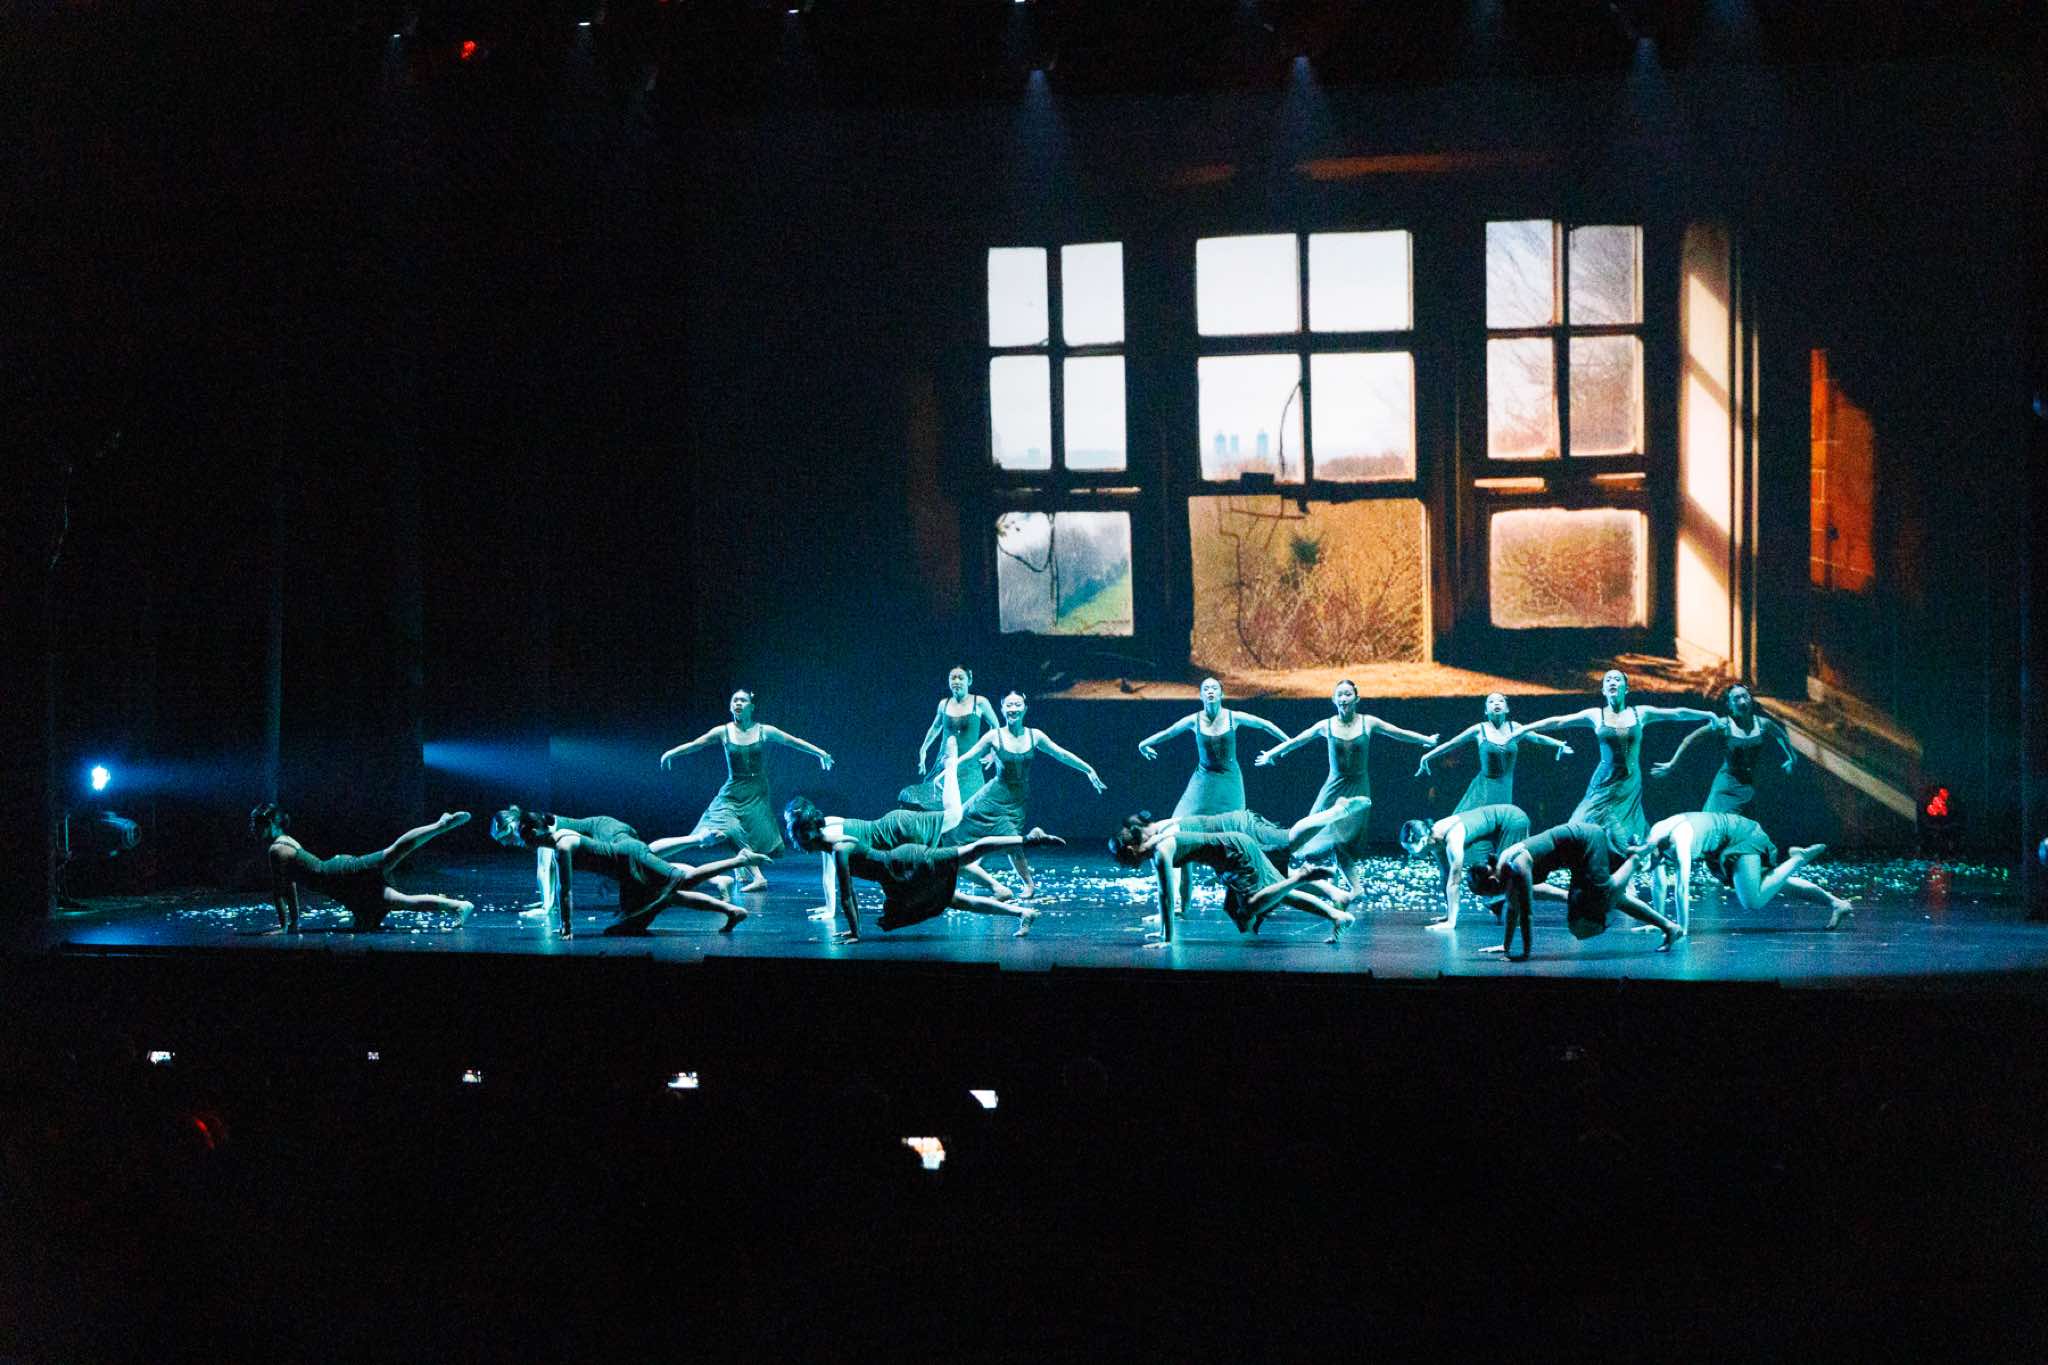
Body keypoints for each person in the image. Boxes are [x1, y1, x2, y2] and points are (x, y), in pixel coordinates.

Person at [783, 800, 1064, 942]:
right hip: (898, 879)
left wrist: (855, 932)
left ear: (810, 832)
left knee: (968, 852)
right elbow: (845, 891)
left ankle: (1030, 839)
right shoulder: (829, 841)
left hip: (908, 863)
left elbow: (848, 895)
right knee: (955, 900)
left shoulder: (838, 848)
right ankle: (1023, 913)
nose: (798, 841)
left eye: (799, 834)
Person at [1256, 680, 1436, 891]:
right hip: (1334, 786)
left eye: (1348, 694)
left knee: (1345, 841)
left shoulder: (1368, 722)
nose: (1343, 699)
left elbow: (1397, 732)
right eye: (1340, 695)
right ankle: (1320, 881)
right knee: (1316, 829)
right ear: (1334, 700)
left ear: (1356, 698)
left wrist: (1426, 740)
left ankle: (1348, 887)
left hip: (1358, 787)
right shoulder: (1326, 726)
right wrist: (1271, 754)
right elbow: (1298, 740)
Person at [488, 807, 760, 936]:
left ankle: (733, 859)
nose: (512, 844)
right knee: (664, 894)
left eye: (510, 837)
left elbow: (559, 882)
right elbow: (561, 873)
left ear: (524, 830)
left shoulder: (552, 838)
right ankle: (731, 908)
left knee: (669, 874)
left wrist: (556, 915)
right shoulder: (541, 832)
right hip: (619, 858)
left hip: (614, 839)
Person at [659, 690, 833, 890]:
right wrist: (670, 753)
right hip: (733, 790)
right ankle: (758, 877)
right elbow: (696, 744)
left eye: (743, 700)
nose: (738, 703)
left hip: (756, 790)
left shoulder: (764, 731)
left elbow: (793, 741)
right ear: (730, 706)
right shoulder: (723, 731)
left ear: (751, 707)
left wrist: (820, 753)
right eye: (735, 701)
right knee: (730, 827)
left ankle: (742, 867)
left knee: (750, 830)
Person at [1518, 670, 1717, 845]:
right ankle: (1569, 852)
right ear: (1603, 690)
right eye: (1608, 680)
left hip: (1629, 780)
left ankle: (1625, 861)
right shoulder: (1596, 714)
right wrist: (1524, 729)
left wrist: (1707, 714)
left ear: (1626, 689)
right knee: (1584, 817)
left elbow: (1677, 714)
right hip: (1604, 779)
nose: (1612, 682)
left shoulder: (1640, 713)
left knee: (1627, 826)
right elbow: (1559, 721)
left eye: (1617, 679)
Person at [1139, 677, 1289, 907]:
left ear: (1221, 694)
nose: (1210, 691)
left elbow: (1265, 724)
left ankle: (1259, 888)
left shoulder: (1233, 717)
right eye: (1206, 689)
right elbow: (1168, 732)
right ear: (1201, 695)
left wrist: (1286, 745)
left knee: (1237, 836)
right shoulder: (1194, 720)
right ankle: (1181, 903)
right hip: (1203, 781)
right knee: (1177, 832)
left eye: (1214, 688)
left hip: (1229, 782)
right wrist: (1144, 743)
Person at [946, 692, 1105, 899]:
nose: (1013, 709)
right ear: (1002, 709)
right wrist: (947, 771)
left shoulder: (1034, 735)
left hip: (1016, 800)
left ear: (1025, 708)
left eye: (1017, 705)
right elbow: (970, 757)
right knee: (982, 830)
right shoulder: (994, 736)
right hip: (993, 795)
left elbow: (1060, 753)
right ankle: (1024, 883)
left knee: (1007, 838)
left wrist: (1088, 769)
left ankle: (1011, 879)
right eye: (1009, 705)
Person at [1109, 817, 1357, 945]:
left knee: (1248, 906)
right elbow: (1168, 892)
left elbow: (1165, 895)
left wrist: (1166, 939)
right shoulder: (1157, 847)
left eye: (1124, 860)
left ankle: (1302, 876)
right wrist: (1163, 933)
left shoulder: (1161, 851)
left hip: (1233, 852)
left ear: (1130, 851)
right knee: (1275, 893)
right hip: (1231, 852)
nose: (1127, 866)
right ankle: (1338, 916)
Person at [1118, 795, 1372, 918]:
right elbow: (1184, 875)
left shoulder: (1165, 835)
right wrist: (1181, 909)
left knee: (1289, 841)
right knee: (1272, 877)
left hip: (1241, 829)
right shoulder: (1162, 832)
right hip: (1234, 842)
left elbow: (1173, 881)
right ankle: (1335, 895)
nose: (1145, 840)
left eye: (1141, 836)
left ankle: (1338, 811)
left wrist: (1173, 910)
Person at [252, 804, 474, 933]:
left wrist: (287, 925)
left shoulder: (276, 849)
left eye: (256, 823)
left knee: (392, 854)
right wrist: (291, 923)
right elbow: (289, 886)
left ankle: (441, 825)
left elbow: (281, 891)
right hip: (342, 885)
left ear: (270, 824)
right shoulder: (286, 841)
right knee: (396, 899)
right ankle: (458, 906)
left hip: (341, 875)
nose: (252, 828)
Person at [1488, 819, 1685, 961]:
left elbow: (1526, 914)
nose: (1490, 896)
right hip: (1576, 854)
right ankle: (1670, 927)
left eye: (1487, 891)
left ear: (1493, 879)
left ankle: (1634, 859)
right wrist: (1506, 947)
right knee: (1602, 905)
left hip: (1586, 841)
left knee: (1595, 908)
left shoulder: (1517, 866)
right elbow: (1516, 907)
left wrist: (1525, 954)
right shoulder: (1506, 870)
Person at [1632, 811, 1852, 932]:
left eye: (1647, 865)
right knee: (1772, 883)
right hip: (1722, 847)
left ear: (1650, 852)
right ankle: (1837, 904)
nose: (1649, 869)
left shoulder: (1678, 840)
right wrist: (1658, 922)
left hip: (1740, 836)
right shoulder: (1652, 839)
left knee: (1752, 900)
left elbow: (1681, 887)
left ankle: (1798, 859)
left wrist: (1681, 928)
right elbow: (1659, 884)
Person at [1649, 684, 1797, 816]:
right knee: (1718, 824)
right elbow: (1690, 739)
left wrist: (1791, 757)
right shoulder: (1724, 725)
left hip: (1751, 785)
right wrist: (1672, 763)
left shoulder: (1763, 724)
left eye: (1745, 696)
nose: (1742, 702)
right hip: (1727, 786)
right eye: (1736, 699)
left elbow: (1781, 736)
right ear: (1729, 705)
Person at [1413, 692, 1572, 812]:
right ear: (1485, 710)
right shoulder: (1479, 729)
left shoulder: (1515, 727)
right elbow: (1451, 744)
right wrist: (1427, 756)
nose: (1496, 703)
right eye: (1491, 701)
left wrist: (1558, 744)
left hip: (1506, 788)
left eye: (1500, 701)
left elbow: (1536, 737)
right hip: (1484, 789)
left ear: (1507, 708)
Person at [1398, 803, 1533, 932]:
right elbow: (1445, 876)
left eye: (1410, 849)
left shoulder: (1452, 839)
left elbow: (1454, 881)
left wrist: (1451, 922)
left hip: (1513, 820)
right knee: (1500, 881)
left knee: (1507, 873)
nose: (1410, 854)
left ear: (1423, 841)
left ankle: (1524, 909)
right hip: (1500, 826)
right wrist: (1448, 915)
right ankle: (1508, 906)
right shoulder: (1433, 840)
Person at [898, 665, 1002, 810]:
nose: (956, 681)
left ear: (969, 680)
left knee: (969, 806)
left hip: (969, 765)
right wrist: (923, 749)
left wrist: (992, 752)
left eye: (961, 678)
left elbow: (996, 727)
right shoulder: (944, 704)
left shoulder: (979, 702)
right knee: (932, 803)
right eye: (953, 678)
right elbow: (935, 727)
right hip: (945, 762)